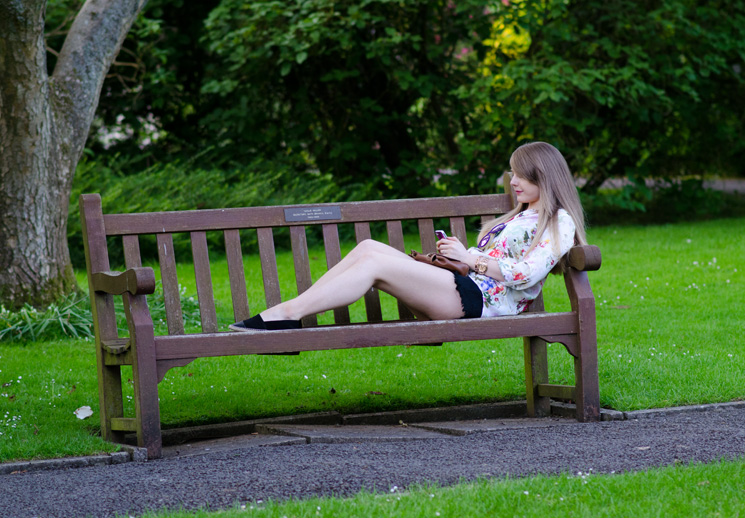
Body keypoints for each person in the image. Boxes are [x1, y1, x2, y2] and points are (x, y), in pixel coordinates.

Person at [229, 141, 586, 331]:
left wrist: (470, 258)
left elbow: (529, 273)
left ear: (545, 176)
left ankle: (286, 315)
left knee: (371, 262)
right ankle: (285, 315)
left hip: (481, 303)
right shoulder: (520, 215)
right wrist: (460, 256)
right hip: (462, 287)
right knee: (369, 247)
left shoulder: (559, 221)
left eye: (521, 175)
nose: (513, 181)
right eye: (512, 173)